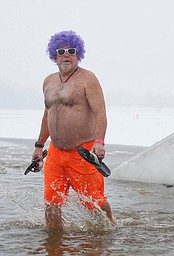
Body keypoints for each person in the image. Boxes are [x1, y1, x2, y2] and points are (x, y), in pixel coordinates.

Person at [32, 30, 116, 230]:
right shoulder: (48, 81)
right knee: (51, 203)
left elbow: (100, 113)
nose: (66, 55)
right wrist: (39, 145)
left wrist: (99, 142)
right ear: (54, 55)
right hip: (55, 153)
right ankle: (55, 244)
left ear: (78, 54)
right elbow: (47, 115)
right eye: (61, 51)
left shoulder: (88, 79)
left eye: (71, 50)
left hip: (82, 151)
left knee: (94, 202)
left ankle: (111, 225)